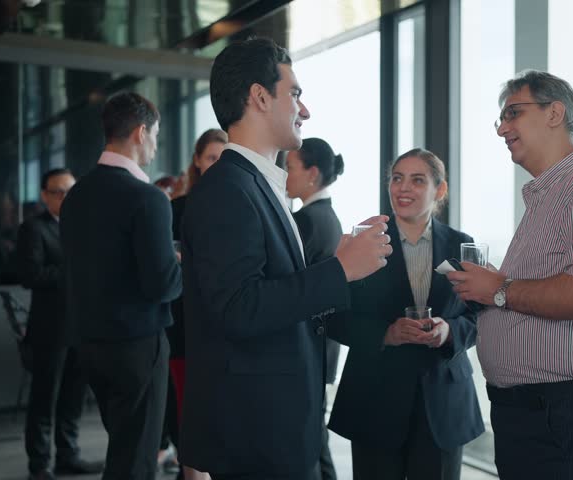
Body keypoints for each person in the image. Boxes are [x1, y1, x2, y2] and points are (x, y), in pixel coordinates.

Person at [178, 37, 392, 480]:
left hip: (274, 424)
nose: (305, 110)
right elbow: (239, 307)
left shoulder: (255, 185)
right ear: (259, 97)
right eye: (294, 93)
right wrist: (340, 269)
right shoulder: (227, 189)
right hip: (255, 430)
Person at [447, 70, 573, 479]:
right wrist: (491, 289)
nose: (502, 129)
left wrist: (499, 290)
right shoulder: (546, 196)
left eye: (513, 113)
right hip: (530, 412)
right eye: (499, 118)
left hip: (563, 411)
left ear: (555, 113)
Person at [328, 148, 483, 480]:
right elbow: (332, 316)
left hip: (443, 402)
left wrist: (449, 330)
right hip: (374, 400)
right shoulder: (362, 242)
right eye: (397, 179)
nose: (403, 188)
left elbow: (480, 317)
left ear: (438, 190)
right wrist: (386, 333)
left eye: (417, 180)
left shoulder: (462, 245)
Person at [60, 92, 182, 480]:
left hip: (90, 343)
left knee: (123, 448)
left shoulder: (76, 195)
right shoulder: (148, 198)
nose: (155, 145)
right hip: (136, 344)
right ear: (141, 132)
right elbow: (162, 284)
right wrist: (186, 264)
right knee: (136, 459)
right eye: (156, 135)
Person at [17, 168, 102, 480]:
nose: (65, 198)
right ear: (44, 195)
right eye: (58, 192)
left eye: (71, 191)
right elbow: (30, 276)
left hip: (80, 326)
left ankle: (68, 455)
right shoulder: (33, 229)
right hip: (49, 329)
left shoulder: (83, 227)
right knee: (44, 399)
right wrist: (76, 271)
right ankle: (39, 465)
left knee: (73, 397)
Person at [167, 128, 227, 480]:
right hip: (184, 322)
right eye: (210, 158)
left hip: (226, 324)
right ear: (197, 162)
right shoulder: (177, 208)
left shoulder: (241, 206)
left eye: (224, 157)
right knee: (188, 410)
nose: (217, 165)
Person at [285, 137, 345, 480]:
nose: (284, 174)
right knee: (314, 438)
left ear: (312, 174)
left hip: (308, 347)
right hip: (321, 346)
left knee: (309, 440)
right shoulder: (325, 216)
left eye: (290, 167)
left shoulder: (309, 220)